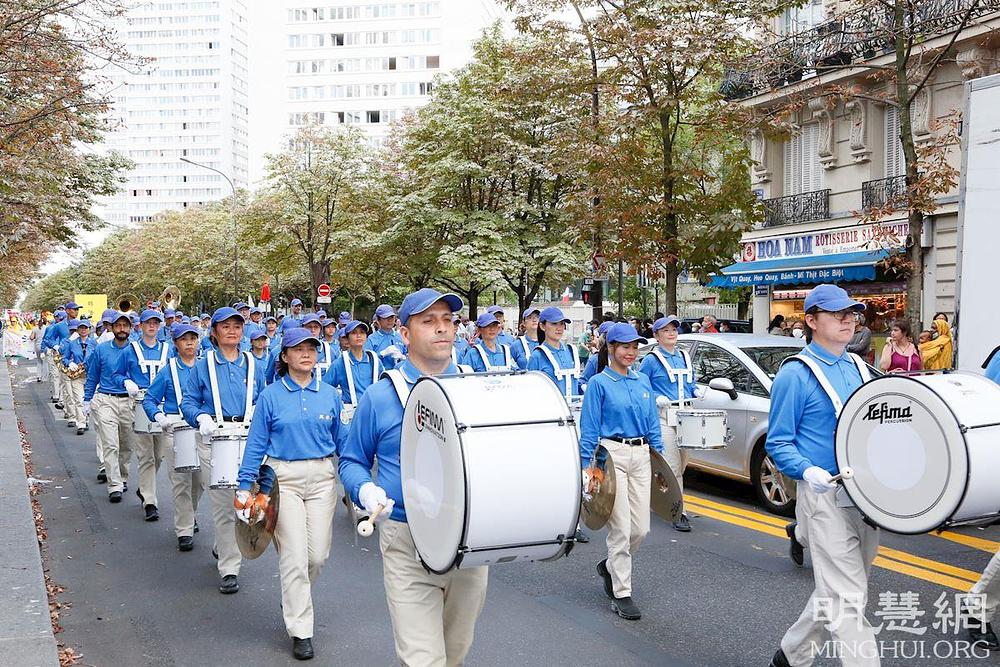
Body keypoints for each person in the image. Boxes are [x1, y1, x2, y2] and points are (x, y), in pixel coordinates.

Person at [340, 288, 488, 666]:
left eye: (447, 321)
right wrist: (365, 488)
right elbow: (352, 460)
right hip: (407, 537)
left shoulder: (477, 387)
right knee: (424, 659)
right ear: (404, 334)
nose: (442, 329)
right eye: (428, 321)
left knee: (455, 650)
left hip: (469, 538)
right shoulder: (380, 395)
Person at [764, 284, 878, 667]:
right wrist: (806, 470)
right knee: (847, 599)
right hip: (825, 493)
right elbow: (778, 443)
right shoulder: (795, 374)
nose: (848, 319)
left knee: (841, 591)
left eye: (851, 313)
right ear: (811, 321)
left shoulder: (859, 366)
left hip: (864, 497)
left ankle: (792, 655)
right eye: (837, 313)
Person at [238, 328, 348, 661]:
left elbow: (342, 440)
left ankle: (293, 597)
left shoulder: (329, 394)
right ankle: (301, 629)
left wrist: (356, 481)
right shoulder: (271, 395)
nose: (306, 354)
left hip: (322, 478)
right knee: (295, 556)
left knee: (317, 557)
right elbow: (256, 443)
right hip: (282, 478)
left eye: (311, 349)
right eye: (297, 349)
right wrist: (245, 488)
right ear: (284, 357)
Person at [579, 322, 663, 621]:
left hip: (641, 455)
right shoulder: (599, 384)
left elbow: (653, 423)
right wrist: (587, 470)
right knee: (621, 529)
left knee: (641, 529)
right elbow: (589, 430)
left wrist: (659, 461)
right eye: (625, 346)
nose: (631, 352)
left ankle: (610, 566)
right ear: (611, 349)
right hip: (609, 455)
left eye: (634, 346)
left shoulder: (642, 382)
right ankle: (622, 592)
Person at [181, 306, 267, 594]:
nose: (232, 330)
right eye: (225, 326)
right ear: (214, 332)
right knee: (221, 505)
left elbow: (265, 397)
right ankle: (230, 567)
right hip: (215, 436)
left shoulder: (254, 364)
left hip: (248, 438)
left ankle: (225, 543)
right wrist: (199, 417)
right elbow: (189, 401)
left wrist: (261, 412)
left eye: (237, 326)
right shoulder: (202, 366)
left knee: (245, 503)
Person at [143, 324, 204, 552]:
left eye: (193, 338)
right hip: (176, 426)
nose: (189, 342)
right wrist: (159, 416)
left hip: (202, 428)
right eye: (184, 339)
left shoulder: (205, 366)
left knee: (200, 482)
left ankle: (190, 513)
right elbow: (149, 399)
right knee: (181, 482)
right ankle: (184, 529)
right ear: (176, 344)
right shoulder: (168, 370)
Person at [638, 315, 700, 532]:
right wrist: (655, 397)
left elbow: (690, 382)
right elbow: (641, 386)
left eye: (674, 329)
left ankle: (658, 493)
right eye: (665, 330)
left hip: (686, 414)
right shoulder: (650, 360)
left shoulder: (684, 356)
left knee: (683, 462)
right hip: (664, 416)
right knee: (673, 466)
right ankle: (677, 511)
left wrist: (696, 390)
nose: (672, 333)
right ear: (656, 335)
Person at [116, 309, 170, 522]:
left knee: (159, 455)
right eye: (148, 323)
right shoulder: (131, 350)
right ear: (141, 325)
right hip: (139, 403)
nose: (152, 327)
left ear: (159, 326)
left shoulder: (168, 349)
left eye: (156, 323)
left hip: (164, 405)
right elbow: (118, 373)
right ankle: (150, 500)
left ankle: (144, 487)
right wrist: (126, 382)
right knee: (145, 455)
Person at [84, 312, 136, 495]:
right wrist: (87, 400)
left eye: (125, 325)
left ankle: (122, 477)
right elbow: (93, 376)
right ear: (112, 328)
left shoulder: (136, 349)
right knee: (110, 444)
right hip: (106, 399)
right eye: (118, 325)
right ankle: (114, 485)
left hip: (130, 402)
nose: (122, 329)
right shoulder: (101, 349)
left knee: (126, 445)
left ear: (130, 328)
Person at [323, 320, 382, 408]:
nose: (359, 336)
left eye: (362, 332)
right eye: (354, 333)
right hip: (351, 411)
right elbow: (325, 388)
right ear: (347, 339)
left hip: (373, 409)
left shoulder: (374, 361)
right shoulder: (339, 363)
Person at [527, 307, 580, 399]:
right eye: (554, 324)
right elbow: (530, 390)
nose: (559, 328)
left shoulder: (571, 351)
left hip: (575, 409)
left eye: (562, 324)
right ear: (542, 326)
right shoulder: (537, 356)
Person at [60, 319, 94, 436]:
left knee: (88, 400)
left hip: (91, 376)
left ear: (89, 330)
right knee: (79, 399)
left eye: (86, 328)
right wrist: (70, 363)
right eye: (81, 328)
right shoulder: (72, 343)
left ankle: (86, 419)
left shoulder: (95, 343)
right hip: (77, 376)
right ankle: (81, 424)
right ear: (78, 330)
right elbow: (64, 358)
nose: (83, 330)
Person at [365, 304, 407, 370]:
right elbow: (366, 360)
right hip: (379, 377)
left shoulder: (401, 337)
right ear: (378, 320)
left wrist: (403, 357)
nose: (390, 320)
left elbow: (411, 358)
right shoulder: (371, 339)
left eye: (392, 317)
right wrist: (381, 354)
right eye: (386, 318)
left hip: (399, 376)